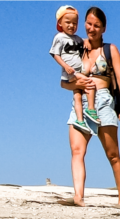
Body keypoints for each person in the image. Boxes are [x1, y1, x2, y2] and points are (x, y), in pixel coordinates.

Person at [60, 6, 120, 208]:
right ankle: (78, 197)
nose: (92, 28)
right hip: (80, 103)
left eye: (96, 25)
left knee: (113, 154)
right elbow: (63, 82)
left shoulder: (110, 49)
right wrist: (77, 84)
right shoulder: (76, 47)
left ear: (104, 28)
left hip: (103, 101)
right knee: (77, 151)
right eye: (89, 24)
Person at [50, 5, 97, 135]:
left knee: (77, 96)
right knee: (90, 83)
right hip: (71, 72)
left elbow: (85, 42)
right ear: (60, 23)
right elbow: (55, 54)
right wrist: (65, 66)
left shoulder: (77, 39)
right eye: (68, 22)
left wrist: (87, 41)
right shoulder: (59, 37)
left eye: (74, 23)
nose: (71, 26)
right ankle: (91, 109)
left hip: (78, 71)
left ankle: (80, 120)